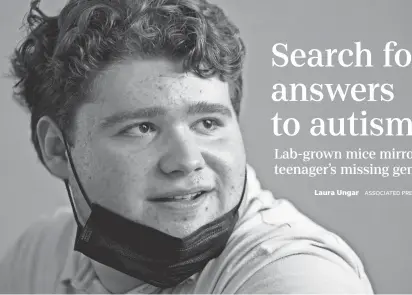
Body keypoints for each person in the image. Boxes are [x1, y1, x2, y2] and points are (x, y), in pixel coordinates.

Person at [0, 0, 374, 293]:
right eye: (141, 128)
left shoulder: (294, 276)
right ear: (56, 149)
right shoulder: (38, 256)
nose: (186, 161)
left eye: (207, 123)